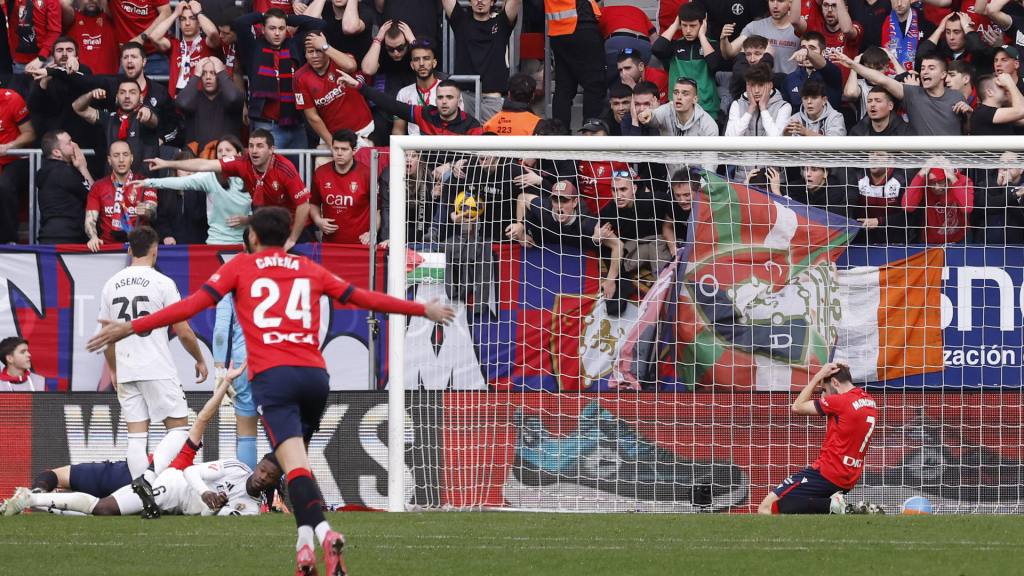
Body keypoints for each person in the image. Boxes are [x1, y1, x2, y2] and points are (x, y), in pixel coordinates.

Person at [87, 206, 456, 574]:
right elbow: (360, 297)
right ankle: (304, 548)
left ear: (252, 238)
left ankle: (325, 533)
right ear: (288, 238)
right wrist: (420, 309)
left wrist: (130, 327)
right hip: (315, 379)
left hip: (275, 380)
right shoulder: (309, 268)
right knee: (298, 467)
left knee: (294, 469)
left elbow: (191, 306)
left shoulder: (239, 267)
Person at [129, 135, 255, 468]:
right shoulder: (278, 272)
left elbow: (213, 321)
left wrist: (216, 366)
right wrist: (161, 170)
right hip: (274, 359)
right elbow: (196, 167)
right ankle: (269, 488)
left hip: (244, 362)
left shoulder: (253, 179)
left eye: (230, 152)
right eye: (221, 152)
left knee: (246, 427)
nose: (225, 156)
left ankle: (250, 490)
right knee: (274, 426)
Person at [21, 363, 243, 502]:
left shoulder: (184, 454)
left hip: (127, 477)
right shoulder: (185, 459)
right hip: (141, 487)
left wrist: (226, 381)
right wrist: (226, 382)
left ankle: (39, 497)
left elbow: (203, 416)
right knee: (95, 505)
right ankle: (44, 499)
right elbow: (203, 416)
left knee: (65, 484)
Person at [97, 226, 208, 487]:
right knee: (179, 429)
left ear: (129, 250)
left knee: (136, 435)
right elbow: (183, 331)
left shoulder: (111, 284)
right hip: (155, 365)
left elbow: (106, 335)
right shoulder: (162, 282)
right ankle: (149, 481)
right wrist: (199, 358)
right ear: (155, 251)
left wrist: (113, 370)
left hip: (125, 367)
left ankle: (138, 496)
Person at [143, 129, 312, 249]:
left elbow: (304, 205)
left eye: (260, 146)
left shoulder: (284, 168)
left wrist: (292, 239)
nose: (254, 150)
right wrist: (167, 163)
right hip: (263, 229)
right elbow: (202, 164)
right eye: (251, 145)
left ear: (271, 150)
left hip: (293, 227)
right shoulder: (242, 165)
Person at [757, 362, 882, 515]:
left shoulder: (840, 401)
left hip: (826, 472)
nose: (823, 395)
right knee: (789, 507)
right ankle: (834, 506)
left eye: (824, 390)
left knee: (766, 508)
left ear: (835, 383)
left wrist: (817, 376)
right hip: (848, 478)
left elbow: (797, 407)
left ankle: (835, 506)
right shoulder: (870, 402)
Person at [232, 8, 325, 149]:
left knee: (298, 170)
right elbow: (239, 23)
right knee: (270, 170)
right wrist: (264, 15)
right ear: (263, 29)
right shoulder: (253, 47)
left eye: (281, 28)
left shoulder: (294, 45)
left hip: (296, 124)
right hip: (267, 125)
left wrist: (286, 17)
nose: (277, 33)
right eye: (272, 28)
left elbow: (319, 25)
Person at [836, 51, 968, 136]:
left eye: (931, 68)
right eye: (922, 68)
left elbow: (968, 130)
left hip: (953, 165)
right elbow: (882, 79)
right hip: (923, 168)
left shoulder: (957, 96)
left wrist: (968, 113)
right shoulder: (912, 93)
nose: (925, 72)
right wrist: (852, 65)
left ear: (943, 74)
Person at [443, 0, 520, 123]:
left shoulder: (501, 23)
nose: (480, 1)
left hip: (492, 100)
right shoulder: (462, 21)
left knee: (492, 141)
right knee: (464, 141)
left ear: (492, 2)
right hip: (465, 97)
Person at [293, 30, 372, 147]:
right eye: (310, 51)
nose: (315, 56)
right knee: (320, 161)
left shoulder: (339, 59)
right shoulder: (300, 77)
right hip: (333, 136)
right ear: (305, 54)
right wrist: (332, 144)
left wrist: (325, 46)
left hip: (363, 129)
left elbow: (351, 66)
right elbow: (312, 117)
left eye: (319, 50)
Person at [72, 79, 160, 174]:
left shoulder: (146, 114)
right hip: (113, 183)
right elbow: (77, 107)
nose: (127, 96)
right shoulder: (109, 118)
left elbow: (153, 121)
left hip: (143, 184)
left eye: (132, 92)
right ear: (117, 97)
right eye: (122, 93)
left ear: (141, 98)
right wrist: (90, 95)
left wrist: (148, 114)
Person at [350, 73, 483, 136]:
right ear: (435, 100)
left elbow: (477, 159)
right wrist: (360, 87)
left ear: (459, 101)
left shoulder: (472, 126)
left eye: (449, 97)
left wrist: (451, 167)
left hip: (456, 176)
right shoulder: (426, 114)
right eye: (440, 97)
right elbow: (391, 104)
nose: (444, 101)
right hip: (425, 172)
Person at [651, 3, 722, 120]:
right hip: (679, 109)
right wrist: (674, 25)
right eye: (684, 25)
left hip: (707, 109)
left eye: (693, 25)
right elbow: (656, 49)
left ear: (702, 23)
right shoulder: (674, 45)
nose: (688, 30)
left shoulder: (712, 44)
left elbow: (714, 65)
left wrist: (702, 37)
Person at [84, 140, 158, 251]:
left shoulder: (145, 182)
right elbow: (90, 220)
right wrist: (93, 237)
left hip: (140, 248)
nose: (121, 160)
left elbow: (153, 211)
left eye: (125, 154)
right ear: (109, 160)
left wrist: (146, 211)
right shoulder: (98, 186)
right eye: (116, 155)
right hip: (108, 248)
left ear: (132, 158)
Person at [310, 129, 375, 244]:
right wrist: (318, 220)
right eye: (335, 149)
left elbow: (378, 210)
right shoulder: (320, 173)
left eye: (344, 149)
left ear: (354, 151)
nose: (339, 153)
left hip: (360, 243)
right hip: (330, 244)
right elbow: (313, 203)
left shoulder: (367, 174)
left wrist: (372, 232)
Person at [546, 0, 606, 124]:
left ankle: (559, 133)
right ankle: (591, 132)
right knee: (594, 84)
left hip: (558, 31)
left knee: (564, 87)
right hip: (581, 23)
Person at [147, 0, 221, 98]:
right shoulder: (174, 45)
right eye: (182, 19)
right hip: (176, 103)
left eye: (192, 18)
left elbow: (213, 33)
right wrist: (175, 14)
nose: (187, 23)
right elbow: (153, 36)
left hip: (200, 103)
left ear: (199, 23)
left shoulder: (207, 43)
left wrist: (199, 13)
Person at [36, 130, 94, 244]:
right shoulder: (65, 172)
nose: (75, 145)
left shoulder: (44, 171)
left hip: (47, 236)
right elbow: (94, 195)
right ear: (57, 152)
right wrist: (83, 167)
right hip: (69, 238)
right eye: (69, 142)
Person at [176, 56, 244, 151]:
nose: (208, 77)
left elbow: (233, 98)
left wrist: (222, 72)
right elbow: (182, 102)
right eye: (204, 73)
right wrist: (196, 75)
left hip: (225, 159)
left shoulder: (229, 97)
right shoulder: (194, 98)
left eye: (213, 73)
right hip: (197, 160)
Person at [903, 161, 975, 244]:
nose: (936, 187)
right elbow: (907, 206)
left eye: (940, 182)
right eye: (933, 182)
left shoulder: (962, 181)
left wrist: (954, 179)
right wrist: (921, 173)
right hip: (930, 241)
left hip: (961, 239)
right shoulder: (925, 183)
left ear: (948, 178)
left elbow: (967, 208)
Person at [724, 0, 802, 74]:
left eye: (780, 1)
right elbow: (729, 53)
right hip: (761, 83)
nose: (775, 5)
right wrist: (723, 38)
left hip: (790, 85)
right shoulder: (755, 27)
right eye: (771, 1)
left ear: (790, 3)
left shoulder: (800, 29)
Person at [394, 39, 452, 136]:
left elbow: (457, 128)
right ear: (412, 65)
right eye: (416, 59)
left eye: (426, 58)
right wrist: (406, 149)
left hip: (441, 148)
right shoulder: (403, 94)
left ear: (434, 63)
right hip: (413, 149)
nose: (421, 63)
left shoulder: (450, 90)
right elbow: (398, 130)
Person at [0, 86, 35, 244]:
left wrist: (8, 147)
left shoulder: (12, 98)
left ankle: (8, 240)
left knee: (4, 186)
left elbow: (30, 134)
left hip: (16, 158)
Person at [726, 62, 793, 137]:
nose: (756, 90)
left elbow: (778, 140)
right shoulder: (737, 105)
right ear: (747, 86)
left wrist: (763, 109)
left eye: (761, 85)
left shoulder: (783, 107)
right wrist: (750, 109)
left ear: (770, 85)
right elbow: (730, 137)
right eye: (752, 85)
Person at [637, 76, 719, 138]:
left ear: (695, 99)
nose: (679, 97)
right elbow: (654, 116)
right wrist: (648, 114)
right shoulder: (667, 109)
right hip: (668, 161)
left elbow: (709, 159)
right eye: (676, 92)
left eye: (685, 94)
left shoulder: (708, 126)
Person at [783, 31, 844, 110]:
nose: (805, 54)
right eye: (803, 48)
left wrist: (807, 52)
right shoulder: (790, 79)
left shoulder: (832, 73)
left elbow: (824, 64)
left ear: (823, 52)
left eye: (812, 48)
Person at [6, 0, 61, 74]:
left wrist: (41, 58)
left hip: (45, 60)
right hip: (19, 61)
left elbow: (54, 31)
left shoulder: (51, 1)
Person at [64, 0, 118, 75]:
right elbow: (63, 4)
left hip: (107, 83)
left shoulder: (113, 19)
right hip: (78, 81)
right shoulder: (71, 19)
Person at [849, 85, 913, 135]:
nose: (872, 104)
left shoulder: (904, 131)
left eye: (878, 101)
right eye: (869, 101)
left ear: (890, 106)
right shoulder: (858, 131)